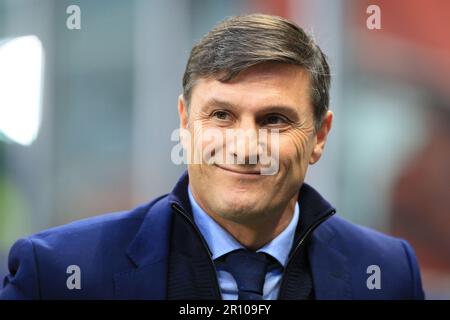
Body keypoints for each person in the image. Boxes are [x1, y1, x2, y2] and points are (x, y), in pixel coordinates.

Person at [0, 14, 424, 300]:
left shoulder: (387, 273)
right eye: (221, 115)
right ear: (185, 123)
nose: (243, 146)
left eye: (274, 119)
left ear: (319, 136)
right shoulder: (57, 273)